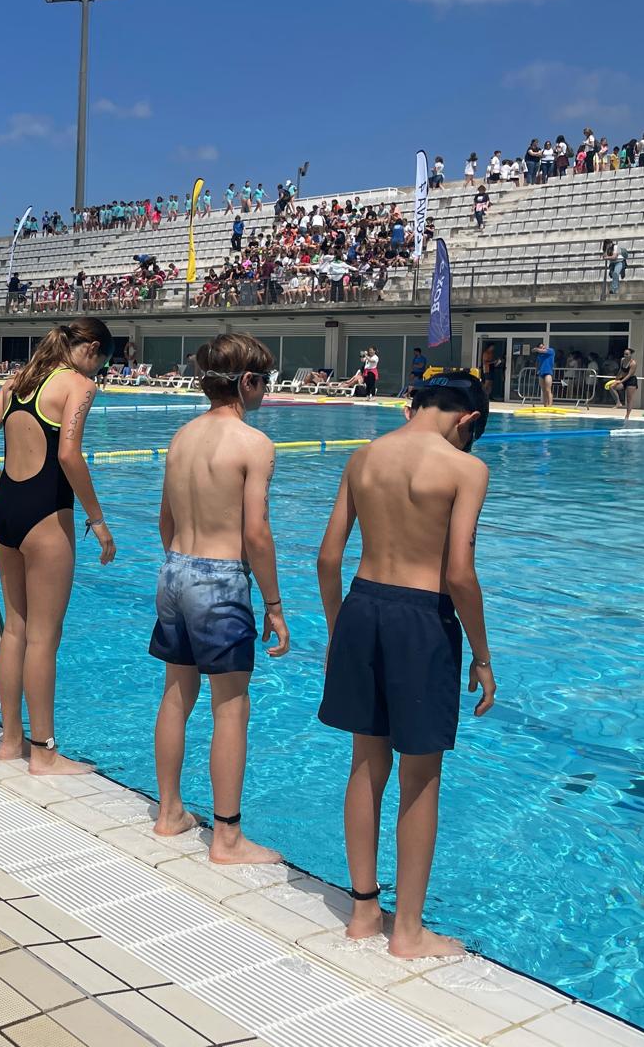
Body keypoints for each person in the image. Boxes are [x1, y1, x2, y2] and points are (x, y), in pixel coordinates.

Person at [316, 370, 494, 959]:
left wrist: (339, 631)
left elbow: (327, 558)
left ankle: (364, 912)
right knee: (420, 777)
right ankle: (409, 933)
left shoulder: (363, 458)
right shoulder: (465, 469)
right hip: (422, 619)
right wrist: (482, 655)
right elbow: (460, 573)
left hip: (361, 607)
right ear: (469, 419)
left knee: (366, 764)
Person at [150, 333, 288, 862]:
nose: (266, 390)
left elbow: (165, 520)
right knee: (230, 708)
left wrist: (182, 565)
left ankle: (169, 813)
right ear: (247, 382)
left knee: (176, 694)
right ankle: (227, 838)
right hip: (220, 580)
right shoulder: (254, 444)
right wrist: (273, 605)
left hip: (174, 570)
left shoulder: (181, 437)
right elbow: (257, 533)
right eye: (265, 381)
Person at [0, 317, 115, 777]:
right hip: (46, 517)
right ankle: (45, 753)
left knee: (15, 629)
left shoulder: (17, 383)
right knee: (44, 638)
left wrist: (6, 488)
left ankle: (11, 741)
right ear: (91, 349)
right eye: (102, 363)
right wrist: (97, 519)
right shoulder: (79, 385)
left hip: (5, 510)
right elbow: (68, 455)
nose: (98, 372)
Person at [609, 347, 639, 420]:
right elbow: (620, 370)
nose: (625, 355)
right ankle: (618, 402)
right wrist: (616, 379)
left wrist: (621, 381)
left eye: (627, 354)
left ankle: (627, 415)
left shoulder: (633, 363)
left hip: (631, 380)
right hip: (623, 379)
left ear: (631, 355)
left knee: (629, 399)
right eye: (624, 354)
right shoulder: (622, 360)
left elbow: (629, 375)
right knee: (612, 387)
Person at [534, 341, 556, 406]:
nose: (542, 348)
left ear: (544, 346)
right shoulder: (539, 355)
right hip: (541, 373)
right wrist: (537, 370)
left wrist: (536, 349)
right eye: (540, 347)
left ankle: (550, 405)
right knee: (543, 390)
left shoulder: (550, 351)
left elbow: (542, 351)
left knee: (548, 390)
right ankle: (545, 405)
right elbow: (538, 363)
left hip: (548, 373)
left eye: (542, 347)